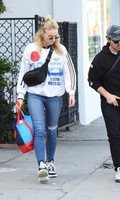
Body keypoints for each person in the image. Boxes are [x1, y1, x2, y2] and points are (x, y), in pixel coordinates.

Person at [16, 16, 76, 183]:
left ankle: (50, 162)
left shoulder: (61, 50)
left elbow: (69, 72)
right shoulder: (30, 49)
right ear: (42, 33)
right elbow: (23, 73)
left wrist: (71, 92)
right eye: (51, 37)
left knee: (51, 131)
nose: (54, 39)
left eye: (56, 37)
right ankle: (41, 165)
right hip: (35, 95)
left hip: (55, 96)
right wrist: (20, 95)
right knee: (40, 130)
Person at [88, 25, 120, 183]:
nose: (119, 43)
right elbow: (92, 81)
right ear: (108, 39)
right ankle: (119, 168)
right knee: (114, 135)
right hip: (109, 102)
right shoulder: (100, 58)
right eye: (116, 40)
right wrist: (108, 96)